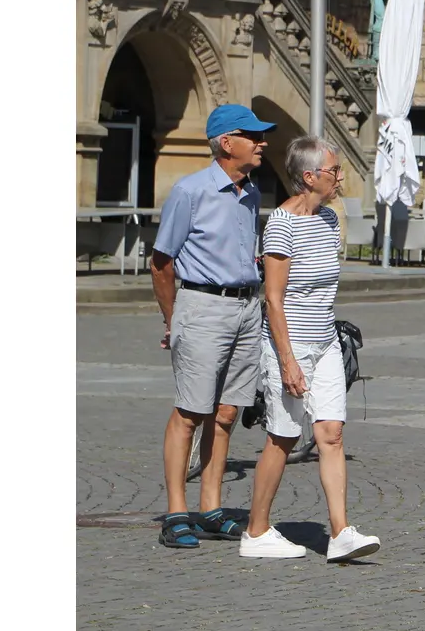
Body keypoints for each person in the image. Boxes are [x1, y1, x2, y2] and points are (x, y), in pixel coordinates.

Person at [240, 137, 381, 561]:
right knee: (282, 437)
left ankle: (340, 532)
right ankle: (256, 530)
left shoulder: (327, 220)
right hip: (290, 344)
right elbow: (274, 299)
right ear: (309, 176)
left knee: (331, 434)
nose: (340, 177)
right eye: (333, 171)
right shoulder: (281, 225)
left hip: (325, 342)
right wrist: (286, 361)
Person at [150, 104, 274, 550]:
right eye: (253, 135)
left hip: (245, 308)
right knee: (190, 412)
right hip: (202, 306)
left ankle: (211, 508)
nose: (262, 143)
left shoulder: (252, 193)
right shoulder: (190, 191)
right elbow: (161, 263)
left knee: (226, 412)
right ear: (227, 142)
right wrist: (174, 317)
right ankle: (176, 512)